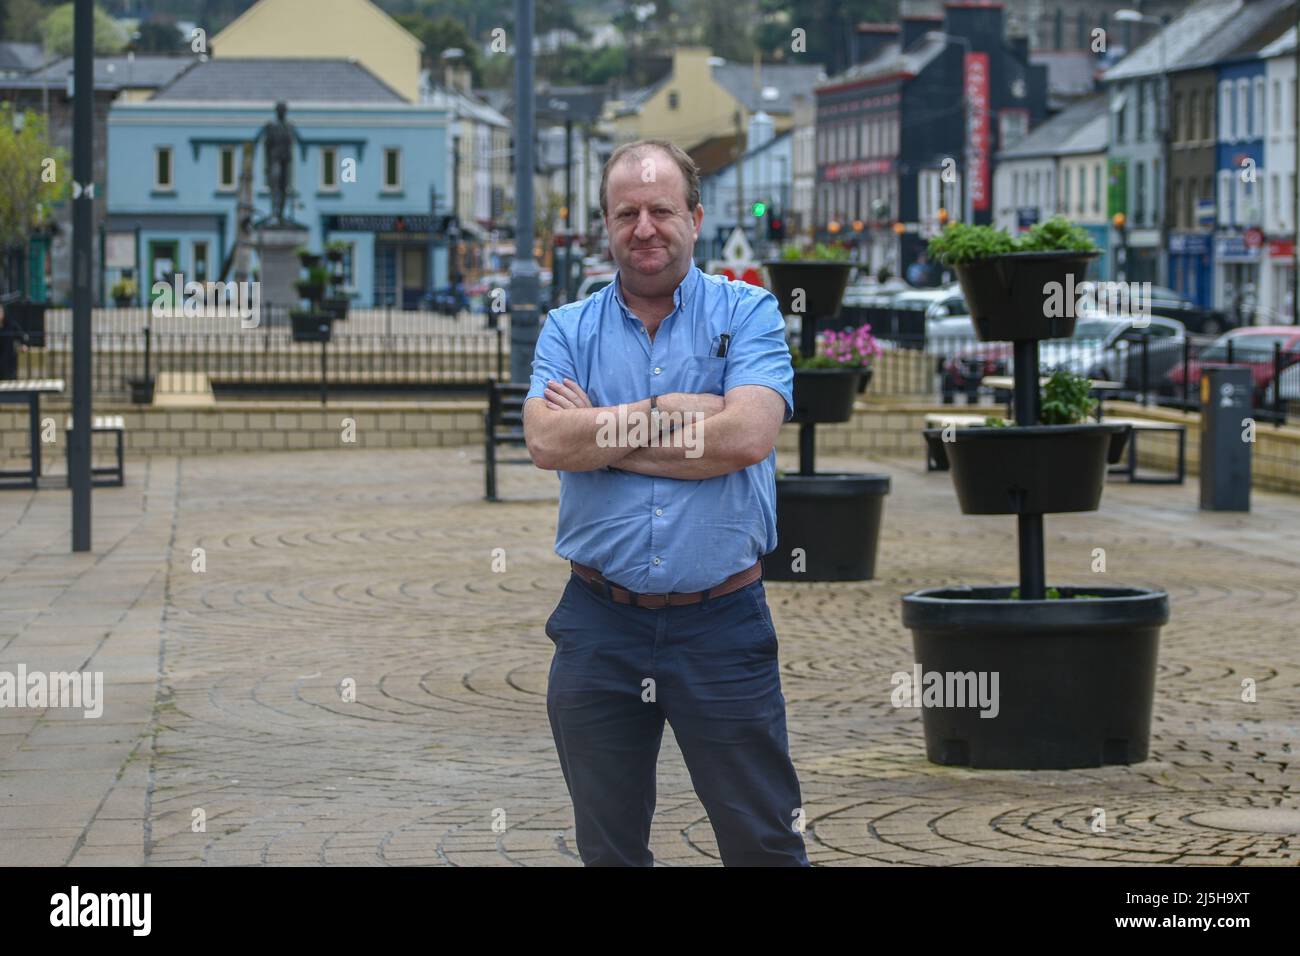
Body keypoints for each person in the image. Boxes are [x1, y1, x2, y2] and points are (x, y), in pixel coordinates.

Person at [522, 139, 808, 867]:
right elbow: (548, 442)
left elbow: (746, 436)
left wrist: (606, 433)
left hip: (722, 624)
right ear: (606, 225)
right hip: (598, 626)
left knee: (764, 840)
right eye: (626, 213)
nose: (644, 227)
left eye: (661, 210)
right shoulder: (567, 328)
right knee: (609, 848)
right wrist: (670, 410)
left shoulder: (749, 311)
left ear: (696, 216)